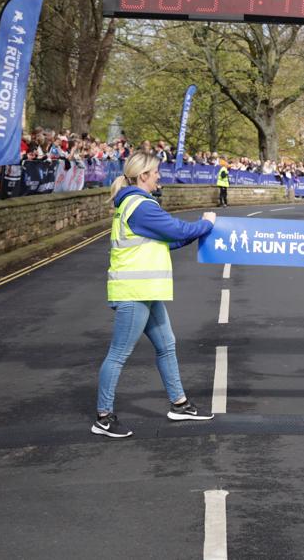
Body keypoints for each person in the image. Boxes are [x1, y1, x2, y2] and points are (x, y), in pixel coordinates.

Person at [92, 152, 217, 438]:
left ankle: (180, 404)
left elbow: (167, 241)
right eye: (157, 172)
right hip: (134, 292)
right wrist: (206, 224)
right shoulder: (141, 206)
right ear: (144, 175)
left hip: (145, 291)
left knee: (167, 345)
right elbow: (176, 228)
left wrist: (198, 233)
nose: (160, 176)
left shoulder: (135, 205)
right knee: (118, 354)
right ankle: (103, 417)